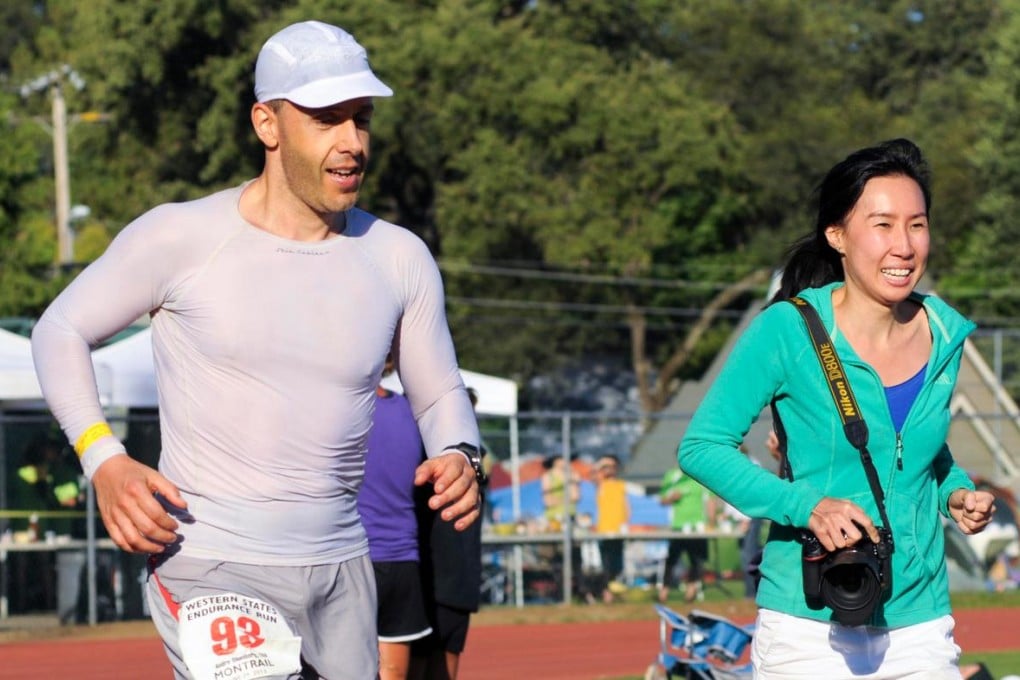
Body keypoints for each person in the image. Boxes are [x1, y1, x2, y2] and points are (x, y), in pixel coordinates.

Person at [31, 20, 483, 680]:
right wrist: (105, 458)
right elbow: (58, 330)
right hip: (212, 561)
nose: (353, 142)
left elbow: (439, 390)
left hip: (342, 565)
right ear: (267, 124)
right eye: (327, 119)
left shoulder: (398, 257)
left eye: (361, 119)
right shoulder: (180, 236)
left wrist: (459, 453)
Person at [679, 138, 996, 678]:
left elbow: (916, 451)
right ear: (837, 236)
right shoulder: (786, 329)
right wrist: (806, 506)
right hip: (808, 626)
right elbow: (701, 447)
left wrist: (957, 492)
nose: (904, 246)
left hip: (920, 624)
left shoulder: (945, 332)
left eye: (916, 225)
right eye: (883, 225)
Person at [358, 356, 432, 680]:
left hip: (350, 557)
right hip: (402, 556)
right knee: (392, 670)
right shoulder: (410, 411)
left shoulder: (339, 410)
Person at [410, 390, 487, 680]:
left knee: (438, 661)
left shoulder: (471, 461)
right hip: (427, 575)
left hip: (450, 577)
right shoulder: (415, 451)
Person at [657, 465, 716, 603]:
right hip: (678, 526)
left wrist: (712, 522)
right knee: (671, 559)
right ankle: (664, 590)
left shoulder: (702, 475)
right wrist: (671, 498)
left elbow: (710, 500)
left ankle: (691, 589)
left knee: (696, 560)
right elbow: (662, 499)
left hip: (697, 526)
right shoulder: (672, 476)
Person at [593, 454, 630, 603]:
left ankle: (614, 591)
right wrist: (602, 464)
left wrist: (626, 522)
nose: (609, 470)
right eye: (606, 467)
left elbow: (626, 506)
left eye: (612, 466)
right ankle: (606, 592)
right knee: (606, 564)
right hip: (605, 530)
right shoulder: (601, 484)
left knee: (617, 564)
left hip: (618, 530)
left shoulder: (620, 485)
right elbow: (593, 474)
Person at [540, 454, 580, 529]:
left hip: (570, 514)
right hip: (554, 516)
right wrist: (567, 500)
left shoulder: (572, 475)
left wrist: (571, 477)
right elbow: (547, 501)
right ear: (556, 461)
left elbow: (576, 496)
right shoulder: (548, 476)